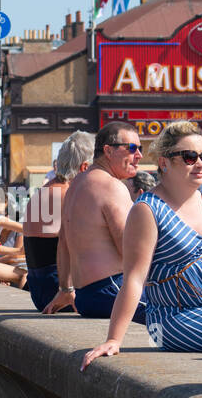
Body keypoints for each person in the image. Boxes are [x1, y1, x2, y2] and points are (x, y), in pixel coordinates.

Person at [81, 122, 202, 369]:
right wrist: (114, 339)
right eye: (190, 157)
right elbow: (134, 278)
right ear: (164, 162)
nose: (200, 164)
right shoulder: (148, 210)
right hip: (171, 319)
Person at [43, 122, 146, 319]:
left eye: (139, 149)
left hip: (86, 297)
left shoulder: (77, 183)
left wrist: (65, 289)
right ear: (108, 150)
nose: (139, 155)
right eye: (132, 148)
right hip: (112, 291)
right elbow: (129, 250)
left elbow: (63, 241)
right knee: (185, 313)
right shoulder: (111, 186)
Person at [23, 132, 93, 312]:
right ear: (84, 167)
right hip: (60, 293)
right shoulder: (68, 195)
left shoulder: (42, 192)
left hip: (40, 291)